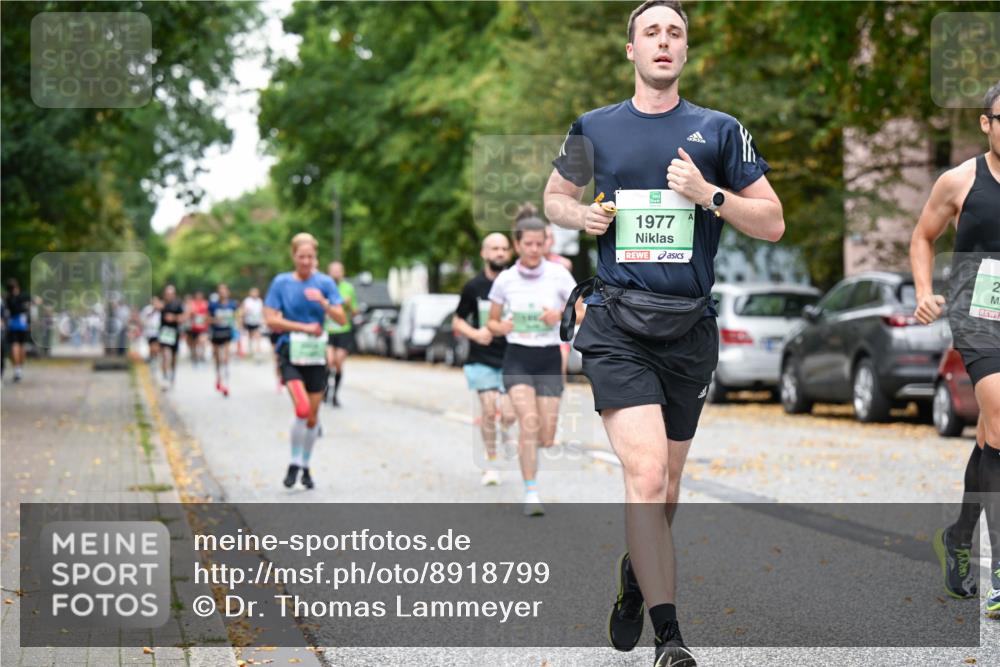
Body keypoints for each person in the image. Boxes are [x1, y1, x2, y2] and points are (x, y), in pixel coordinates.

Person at [543, 2, 784, 664]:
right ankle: (670, 639)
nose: (663, 41)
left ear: (685, 52)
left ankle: (634, 577)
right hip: (618, 321)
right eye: (651, 31)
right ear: (631, 50)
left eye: (675, 32)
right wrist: (581, 217)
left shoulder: (720, 130)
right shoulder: (594, 128)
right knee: (646, 475)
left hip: (688, 331)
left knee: (667, 489)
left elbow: (772, 221)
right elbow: (554, 198)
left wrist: (709, 193)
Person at [911, 80, 1000, 614]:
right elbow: (923, 236)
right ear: (986, 123)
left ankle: (959, 537)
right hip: (979, 315)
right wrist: (925, 292)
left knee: (993, 437)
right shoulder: (960, 180)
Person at [487, 211, 576, 516]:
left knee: (547, 437)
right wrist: (505, 326)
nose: (534, 249)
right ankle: (531, 492)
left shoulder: (559, 275)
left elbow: (584, 309)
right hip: (518, 358)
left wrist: (560, 315)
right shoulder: (505, 280)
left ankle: (528, 450)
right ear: (518, 245)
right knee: (529, 423)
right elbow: (492, 323)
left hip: (549, 356)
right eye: (528, 244)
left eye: (540, 244)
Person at [264, 233, 346, 489]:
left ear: (316, 258)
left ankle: (304, 465)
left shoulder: (325, 283)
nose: (306, 261)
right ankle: (293, 461)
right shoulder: (281, 283)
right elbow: (270, 319)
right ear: (294, 256)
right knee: (301, 409)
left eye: (310, 256)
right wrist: (303, 327)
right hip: (290, 351)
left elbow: (342, 319)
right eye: (302, 256)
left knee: (311, 417)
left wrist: (324, 303)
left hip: (315, 356)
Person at [453, 232, 517, 487]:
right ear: (484, 253)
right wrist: (475, 334)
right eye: (494, 248)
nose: (500, 253)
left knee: (510, 414)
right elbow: (457, 320)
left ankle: (506, 430)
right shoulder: (474, 287)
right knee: (489, 411)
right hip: (481, 357)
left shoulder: (518, 282)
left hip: (513, 356)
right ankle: (491, 462)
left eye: (504, 248)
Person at [324, 261, 356, 406]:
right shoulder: (324, 287)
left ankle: (335, 395)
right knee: (328, 361)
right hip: (328, 330)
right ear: (329, 272)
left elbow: (355, 311)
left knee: (338, 363)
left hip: (343, 330)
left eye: (339, 270)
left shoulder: (348, 288)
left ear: (342, 272)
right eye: (333, 270)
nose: (336, 273)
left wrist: (349, 305)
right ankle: (324, 391)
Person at [209, 283, 239, 397]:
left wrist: (237, 324)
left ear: (228, 292)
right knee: (218, 359)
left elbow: (237, 316)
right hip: (216, 333)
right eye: (220, 291)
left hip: (227, 332)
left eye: (224, 290)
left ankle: (226, 383)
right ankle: (218, 377)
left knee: (225, 358)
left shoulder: (232, 304)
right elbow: (207, 319)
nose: (222, 293)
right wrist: (215, 319)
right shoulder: (213, 305)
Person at [158, 286, 185, 390]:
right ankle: (165, 377)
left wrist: (173, 318)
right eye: (166, 294)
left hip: (174, 332)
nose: (168, 296)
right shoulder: (161, 304)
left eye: (170, 294)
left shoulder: (178, 304)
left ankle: (172, 374)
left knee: (173, 356)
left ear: (174, 295)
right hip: (164, 333)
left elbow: (183, 317)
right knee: (165, 354)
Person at [4, 279, 31, 382]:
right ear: (17, 287)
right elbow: (36, 300)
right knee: (21, 346)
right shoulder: (23, 296)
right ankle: (19, 369)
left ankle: (17, 370)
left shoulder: (7, 298)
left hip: (12, 325)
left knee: (15, 346)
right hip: (22, 325)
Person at [241, 287, 265, 360]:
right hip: (249, 321)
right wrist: (243, 319)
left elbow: (262, 310)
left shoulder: (259, 301)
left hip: (257, 321)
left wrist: (263, 320)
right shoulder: (247, 301)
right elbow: (243, 310)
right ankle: (250, 350)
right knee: (250, 337)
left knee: (258, 337)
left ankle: (258, 352)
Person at [188, 291, 209, 364]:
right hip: (194, 328)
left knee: (202, 341)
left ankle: (202, 355)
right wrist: (193, 313)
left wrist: (205, 317)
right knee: (194, 344)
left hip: (203, 327)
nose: (198, 297)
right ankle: (194, 356)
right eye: (197, 296)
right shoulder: (192, 303)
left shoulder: (205, 303)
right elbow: (189, 313)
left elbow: (208, 314)